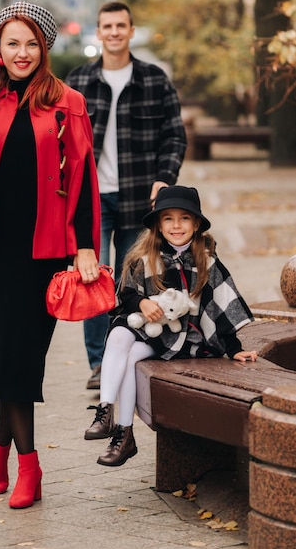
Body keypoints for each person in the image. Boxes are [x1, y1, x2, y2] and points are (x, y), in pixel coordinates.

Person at [0, 1, 101, 509]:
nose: (22, 52)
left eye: (31, 43)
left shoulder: (67, 103)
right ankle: (29, 467)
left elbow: (82, 180)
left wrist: (86, 244)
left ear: (45, 47)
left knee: (25, 359)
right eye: (12, 43)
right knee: (11, 358)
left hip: (46, 251)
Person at [84, 185, 257, 467]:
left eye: (184, 218)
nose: (176, 225)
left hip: (184, 339)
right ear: (158, 225)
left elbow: (222, 305)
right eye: (168, 218)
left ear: (196, 223)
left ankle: (123, 433)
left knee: (127, 355)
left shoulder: (207, 262)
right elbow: (123, 295)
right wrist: (141, 303)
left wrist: (234, 348)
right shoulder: (144, 258)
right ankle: (110, 418)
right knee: (118, 337)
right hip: (149, 335)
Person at [66, 1, 187, 390]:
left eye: (121, 25)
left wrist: (164, 178)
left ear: (131, 31)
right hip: (91, 199)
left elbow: (174, 134)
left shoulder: (154, 79)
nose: (115, 32)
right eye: (107, 26)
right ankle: (101, 364)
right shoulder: (78, 81)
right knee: (92, 280)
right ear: (98, 32)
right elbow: (59, 140)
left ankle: (130, 351)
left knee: (130, 282)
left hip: (140, 199)